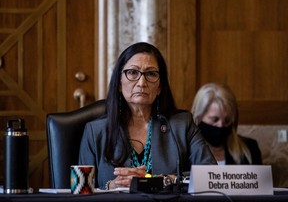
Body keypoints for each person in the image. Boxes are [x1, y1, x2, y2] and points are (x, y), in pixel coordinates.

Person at [79, 42, 217, 190]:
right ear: (119, 83)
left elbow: (211, 175)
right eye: (132, 72)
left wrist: (164, 180)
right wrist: (112, 186)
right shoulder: (95, 132)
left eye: (151, 74)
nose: (142, 82)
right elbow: (81, 190)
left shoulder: (182, 125)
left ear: (160, 87)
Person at [191, 83, 262, 165]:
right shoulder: (185, 152)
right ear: (198, 117)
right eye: (215, 119)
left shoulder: (250, 149)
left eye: (227, 120)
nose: (221, 125)